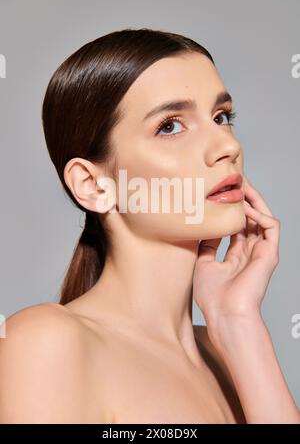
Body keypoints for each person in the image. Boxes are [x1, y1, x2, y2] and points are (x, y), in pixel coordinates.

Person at [0, 28, 299, 424]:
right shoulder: (44, 343)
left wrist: (238, 320)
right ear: (92, 185)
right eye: (170, 125)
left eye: (221, 117)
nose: (228, 147)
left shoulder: (228, 349)